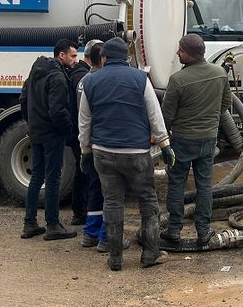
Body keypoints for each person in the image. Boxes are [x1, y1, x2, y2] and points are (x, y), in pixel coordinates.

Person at [78, 37, 175, 271]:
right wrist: (165, 144)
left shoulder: (90, 81)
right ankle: (150, 253)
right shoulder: (140, 79)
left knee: (112, 202)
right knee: (148, 201)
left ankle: (115, 258)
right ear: (127, 57)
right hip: (136, 152)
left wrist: (85, 151)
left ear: (103, 57)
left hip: (103, 151)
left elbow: (85, 121)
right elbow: (154, 114)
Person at [160, 34, 231, 247]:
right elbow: (225, 104)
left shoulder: (178, 80)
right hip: (208, 139)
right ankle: (203, 231)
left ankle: (174, 230)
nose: (177, 53)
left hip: (182, 140)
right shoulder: (220, 74)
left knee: (176, 184)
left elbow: (166, 116)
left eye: (180, 51)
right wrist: (209, 121)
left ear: (189, 54)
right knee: (204, 186)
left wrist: (164, 139)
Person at [19, 39, 79, 241]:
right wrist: (68, 129)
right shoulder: (58, 77)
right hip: (53, 134)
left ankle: (30, 223)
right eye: (73, 55)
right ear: (61, 55)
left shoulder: (35, 72)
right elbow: (58, 110)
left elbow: (24, 99)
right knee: (53, 178)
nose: (75, 60)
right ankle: (53, 225)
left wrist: (32, 122)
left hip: (36, 132)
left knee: (37, 176)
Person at [66, 39, 102, 226]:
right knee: (86, 173)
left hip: (77, 132)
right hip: (83, 134)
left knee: (83, 172)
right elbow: (85, 113)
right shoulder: (84, 78)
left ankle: (81, 212)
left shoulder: (78, 75)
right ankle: (81, 213)